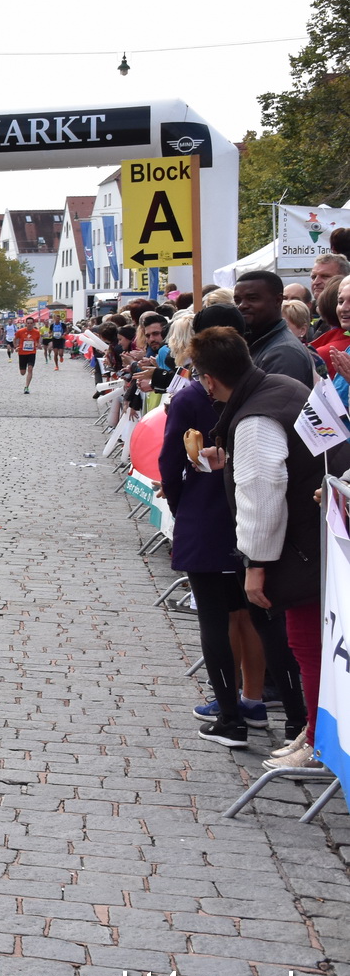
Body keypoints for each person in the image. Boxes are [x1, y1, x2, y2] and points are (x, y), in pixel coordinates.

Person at [194, 325, 342, 767]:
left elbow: (262, 490)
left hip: (303, 546)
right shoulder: (286, 386)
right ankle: (313, 730)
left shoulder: (255, 418)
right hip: (324, 535)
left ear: (208, 379)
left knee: (307, 643)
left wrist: (256, 563)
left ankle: (319, 743)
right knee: (311, 641)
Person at [157, 311, 297, 749]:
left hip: (216, 518)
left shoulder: (200, 398)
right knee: (254, 618)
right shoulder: (285, 388)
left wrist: (182, 508)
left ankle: (231, 717)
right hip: (253, 525)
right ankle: (254, 700)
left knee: (216, 621)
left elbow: (170, 461)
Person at [235, 270, 315, 385]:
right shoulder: (259, 342)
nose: (242, 306)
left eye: (252, 298)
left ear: (278, 300)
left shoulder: (283, 353)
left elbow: (277, 401)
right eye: (237, 300)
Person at [13, 316, 42, 393]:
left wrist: (38, 345)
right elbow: (15, 339)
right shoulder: (20, 331)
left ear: (33, 324)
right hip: (22, 353)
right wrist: (16, 347)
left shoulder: (36, 332)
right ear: (26, 323)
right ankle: (23, 372)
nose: (29, 325)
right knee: (22, 373)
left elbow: (38, 341)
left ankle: (26, 387)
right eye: (28, 323)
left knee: (30, 368)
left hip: (32, 353)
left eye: (31, 323)